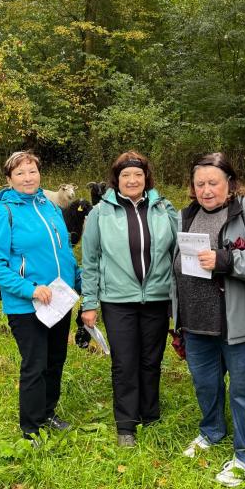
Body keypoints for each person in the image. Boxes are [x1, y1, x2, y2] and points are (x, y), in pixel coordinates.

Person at [171, 153, 245, 486]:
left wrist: (225, 260)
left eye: (213, 183)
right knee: (205, 384)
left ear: (229, 183)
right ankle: (212, 431)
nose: (206, 190)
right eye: (199, 183)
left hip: (237, 322)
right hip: (196, 321)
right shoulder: (186, 215)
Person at [0, 151, 81, 443]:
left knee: (55, 359)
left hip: (58, 300)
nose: (28, 178)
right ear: (9, 178)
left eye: (32, 171)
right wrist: (29, 289)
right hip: (27, 305)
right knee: (35, 365)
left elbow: (64, 251)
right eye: (20, 173)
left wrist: (77, 281)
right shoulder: (3, 213)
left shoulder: (50, 207)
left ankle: (48, 412)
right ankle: (31, 427)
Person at [81, 151, 177, 447]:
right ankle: (126, 425)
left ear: (146, 178)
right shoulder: (100, 213)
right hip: (118, 299)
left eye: (138, 174)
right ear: (116, 179)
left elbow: (179, 251)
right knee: (124, 362)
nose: (132, 180)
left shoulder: (164, 209)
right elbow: (90, 260)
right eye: (126, 175)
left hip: (157, 298)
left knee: (152, 359)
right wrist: (89, 303)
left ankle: (150, 414)